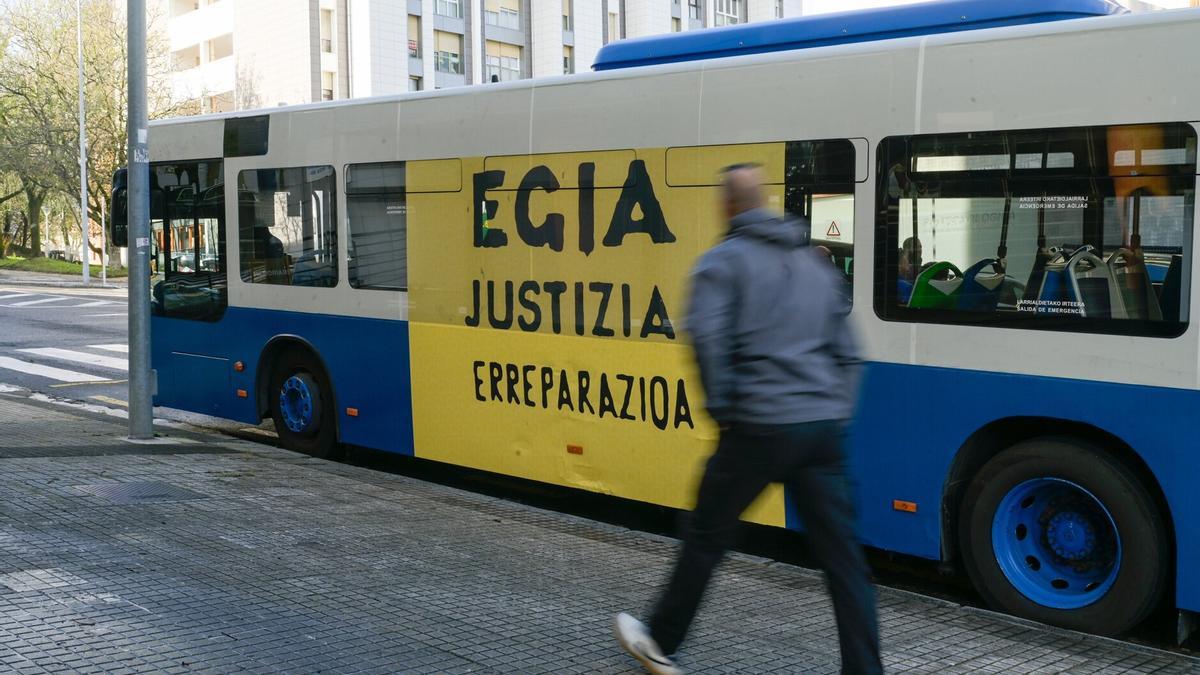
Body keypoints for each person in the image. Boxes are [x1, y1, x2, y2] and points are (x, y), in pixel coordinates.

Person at [614, 164, 882, 675]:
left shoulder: (720, 263)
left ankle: (662, 643)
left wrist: (725, 413)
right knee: (845, 563)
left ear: (728, 206)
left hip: (759, 424)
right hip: (821, 429)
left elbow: (708, 340)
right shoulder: (814, 266)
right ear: (765, 203)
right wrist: (833, 412)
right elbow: (850, 355)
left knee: (707, 535)